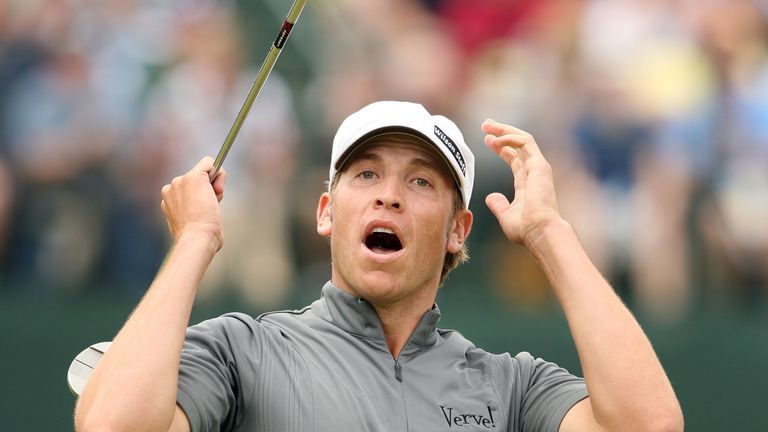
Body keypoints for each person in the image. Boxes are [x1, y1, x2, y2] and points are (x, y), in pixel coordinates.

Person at [74, 101, 683, 432]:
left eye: (420, 181)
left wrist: (550, 234)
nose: (387, 194)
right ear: (326, 212)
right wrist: (195, 240)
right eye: (366, 174)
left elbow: (648, 428)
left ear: (456, 231)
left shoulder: (510, 387)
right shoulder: (241, 351)